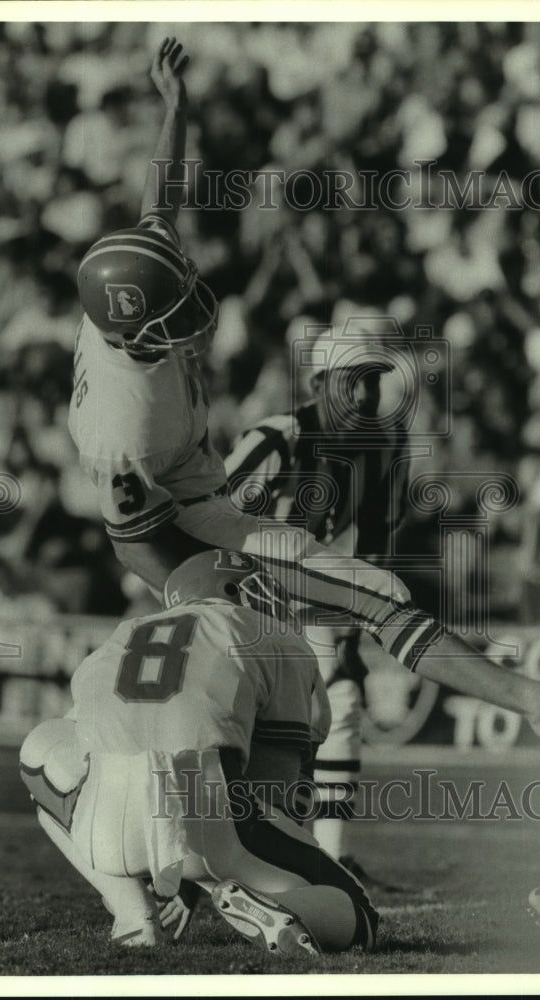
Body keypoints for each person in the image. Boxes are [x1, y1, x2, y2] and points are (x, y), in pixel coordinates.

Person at [67, 36, 540, 758]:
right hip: (181, 526)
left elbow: (160, 191)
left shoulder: (134, 291)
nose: (192, 312)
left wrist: (177, 106)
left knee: (370, 591)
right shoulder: (119, 428)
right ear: (134, 330)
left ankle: (531, 699)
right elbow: (133, 543)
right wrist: (201, 589)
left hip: (209, 498)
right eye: (173, 313)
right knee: (287, 662)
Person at [19, 549, 379, 956]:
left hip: (104, 829)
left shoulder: (121, 636)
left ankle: (132, 913)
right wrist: (212, 869)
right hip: (210, 814)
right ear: (229, 590)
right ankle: (278, 909)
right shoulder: (270, 633)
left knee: (42, 747)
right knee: (360, 911)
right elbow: (274, 792)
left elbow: (62, 745)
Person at [225, 324, 410, 873]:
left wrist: (356, 627)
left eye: (372, 383)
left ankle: (333, 854)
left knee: (343, 700)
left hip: (310, 591)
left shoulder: (385, 445)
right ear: (319, 382)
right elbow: (211, 521)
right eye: (352, 382)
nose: (364, 396)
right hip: (246, 592)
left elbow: (374, 543)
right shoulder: (277, 438)